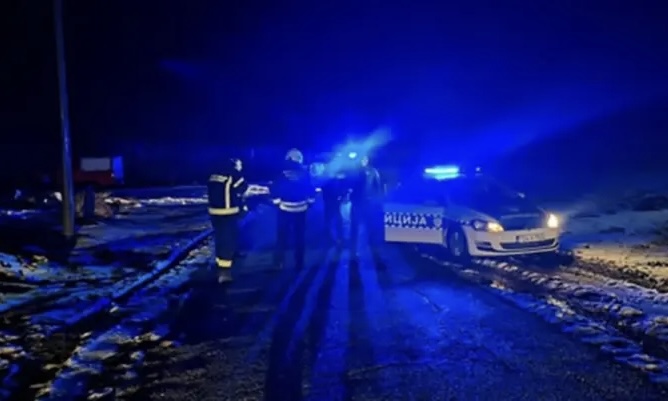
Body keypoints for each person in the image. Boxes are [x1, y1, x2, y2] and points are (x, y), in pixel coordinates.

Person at [272, 148, 316, 269]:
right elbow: (310, 189)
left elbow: (275, 188)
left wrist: (277, 202)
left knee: (282, 237)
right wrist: (310, 203)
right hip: (301, 209)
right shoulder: (304, 172)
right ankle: (299, 263)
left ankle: (278, 262)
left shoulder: (281, 172)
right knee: (299, 237)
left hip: (284, 208)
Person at [207, 157, 248, 283]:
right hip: (228, 212)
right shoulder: (233, 175)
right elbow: (243, 186)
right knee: (228, 241)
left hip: (214, 212)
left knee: (220, 239)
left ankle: (219, 264)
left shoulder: (213, 175)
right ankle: (224, 273)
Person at [348, 154, 384, 261]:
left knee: (371, 228)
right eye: (361, 159)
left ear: (367, 160)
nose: (362, 161)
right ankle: (354, 251)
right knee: (354, 228)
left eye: (364, 159)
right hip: (357, 204)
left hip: (369, 204)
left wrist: (377, 202)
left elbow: (378, 188)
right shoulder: (354, 172)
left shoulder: (373, 172)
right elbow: (349, 186)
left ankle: (374, 250)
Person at [321, 165, 346, 246]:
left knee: (332, 220)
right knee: (335, 220)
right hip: (332, 201)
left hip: (331, 202)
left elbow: (324, 188)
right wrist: (341, 196)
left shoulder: (328, 176)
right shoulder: (334, 177)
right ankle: (337, 239)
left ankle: (333, 239)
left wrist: (341, 196)